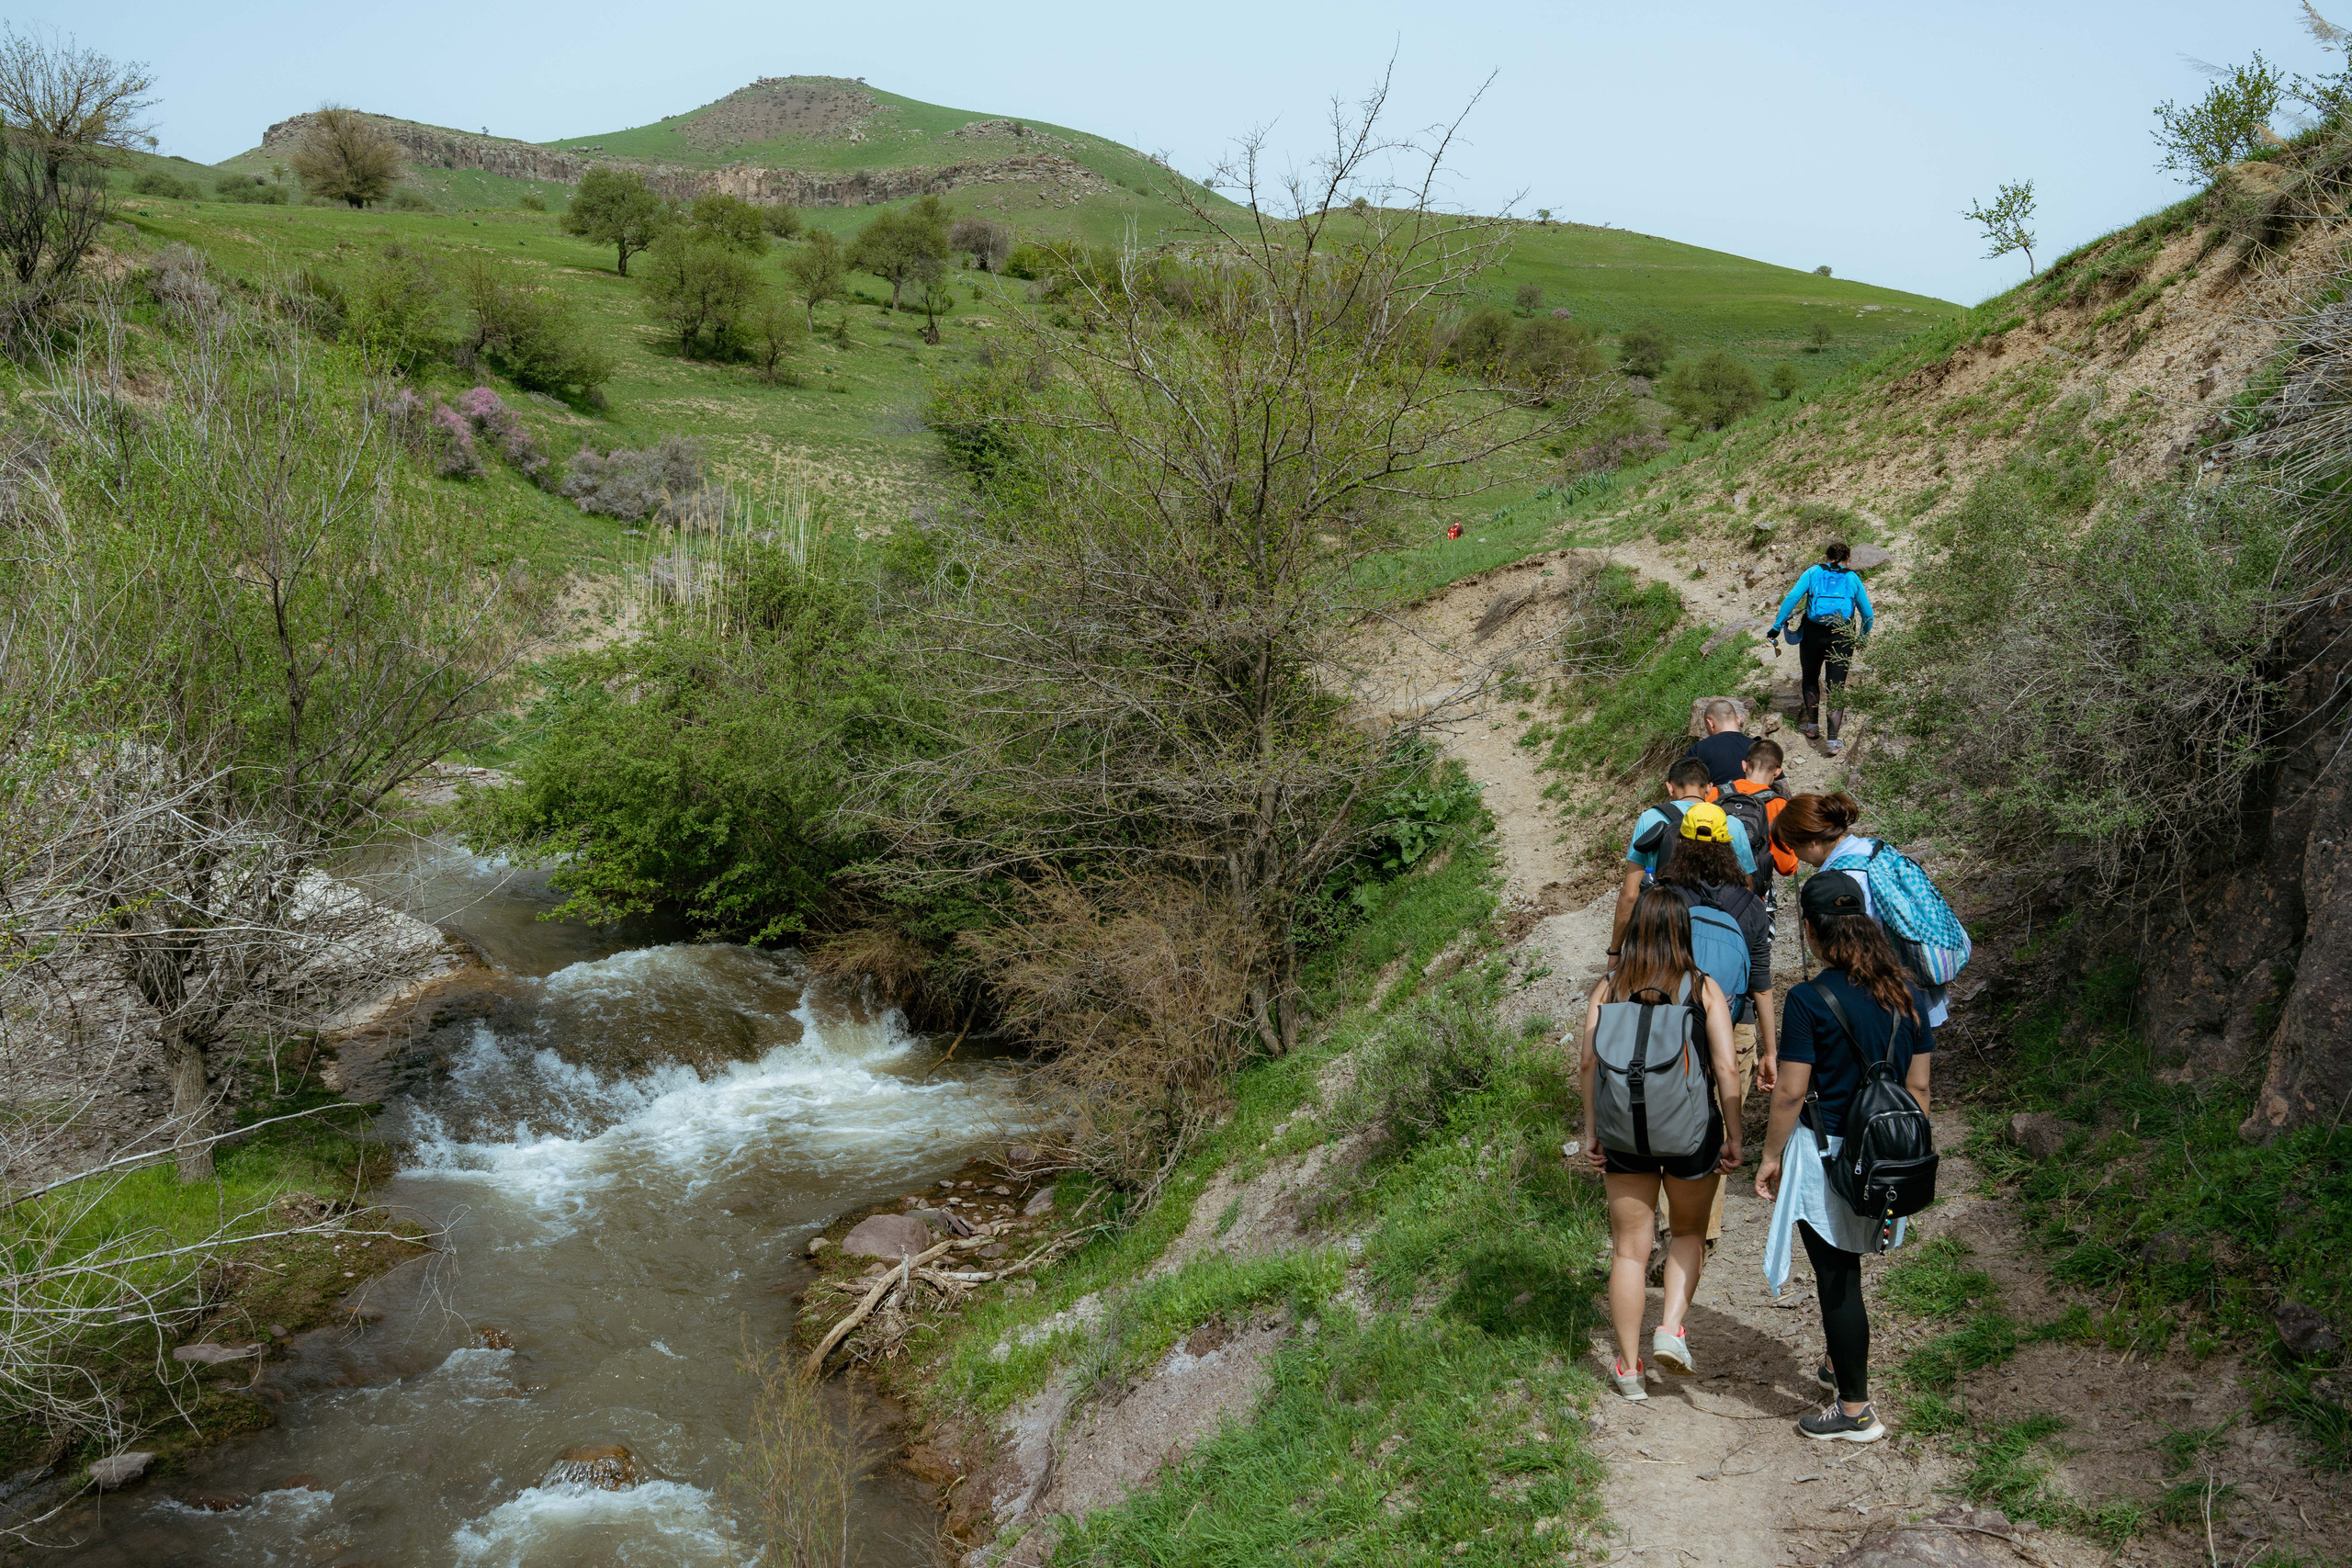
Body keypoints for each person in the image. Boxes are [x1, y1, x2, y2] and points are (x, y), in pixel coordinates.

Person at [1755, 870, 1933, 1443]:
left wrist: (1770, 1156)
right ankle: (1839, 1361)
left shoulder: (1809, 998)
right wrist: (1902, 1150)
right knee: (1848, 1274)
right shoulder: (1907, 994)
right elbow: (1921, 1090)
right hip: (1885, 1153)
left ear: (1811, 929)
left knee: (1838, 1281)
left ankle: (1854, 1409)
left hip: (1827, 1153)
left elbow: (1789, 1091)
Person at [1579, 888, 1743, 1400]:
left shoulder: (1608, 987)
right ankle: (1671, 1328)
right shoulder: (1702, 988)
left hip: (1623, 1134)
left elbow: (1588, 1064)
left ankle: (1629, 1370)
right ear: (1681, 931)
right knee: (1689, 1232)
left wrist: (1592, 1131)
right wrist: (1735, 1134)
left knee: (1629, 1250)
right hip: (1691, 1134)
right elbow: (1725, 1066)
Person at [1652, 807, 1777, 1252]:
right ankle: (1703, 1231)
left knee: (1670, 1119)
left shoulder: (1663, 897)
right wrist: (1769, 1049)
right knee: (1722, 1127)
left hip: (1671, 1025)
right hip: (1736, 1026)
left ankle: (1672, 1226)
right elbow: (1760, 982)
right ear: (1729, 845)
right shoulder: (1750, 905)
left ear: (1681, 843)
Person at [1771, 792, 1952, 1028]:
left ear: (1812, 841)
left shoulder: (1840, 879)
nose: (1795, 855)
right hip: (1919, 974)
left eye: (1794, 846)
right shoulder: (1873, 847)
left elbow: (1848, 951)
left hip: (1886, 997)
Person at [1610, 759, 1758, 965]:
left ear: (1670, 787)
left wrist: (1615, 951)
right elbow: (1746, 887)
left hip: (1664, 934)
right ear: (1709, 788)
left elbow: (1631, 893)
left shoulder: (1649, 819)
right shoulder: (1731, 823)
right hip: (1720, 936)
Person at [1770, 542, 1875, 757]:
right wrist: (1862, 638)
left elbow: (1792, 598)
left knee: (1810, 677)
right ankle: (1833, 741)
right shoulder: (1852, 577)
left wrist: (1777, 625)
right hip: (1842, 636)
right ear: (1848, 560)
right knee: (1836, 687)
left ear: (1826, 556)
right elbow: (1868, 615)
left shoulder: (1813, 572)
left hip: (1812, 633)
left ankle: (1812, 726)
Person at [1712, 738, 1794, 904]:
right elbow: (1787, 867)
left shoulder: (1715, 794)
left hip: (1710, 889)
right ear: (1778, 772)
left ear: (1744, 765)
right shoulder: (1778, 805)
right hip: (1750, 898)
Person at [1683, 698, 1751, 788]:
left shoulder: (1698, 749)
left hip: (1713, 801)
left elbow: (1682, 784)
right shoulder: (1757, 747)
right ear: (1738, 719)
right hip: (1753, 800)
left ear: (1710, 723)